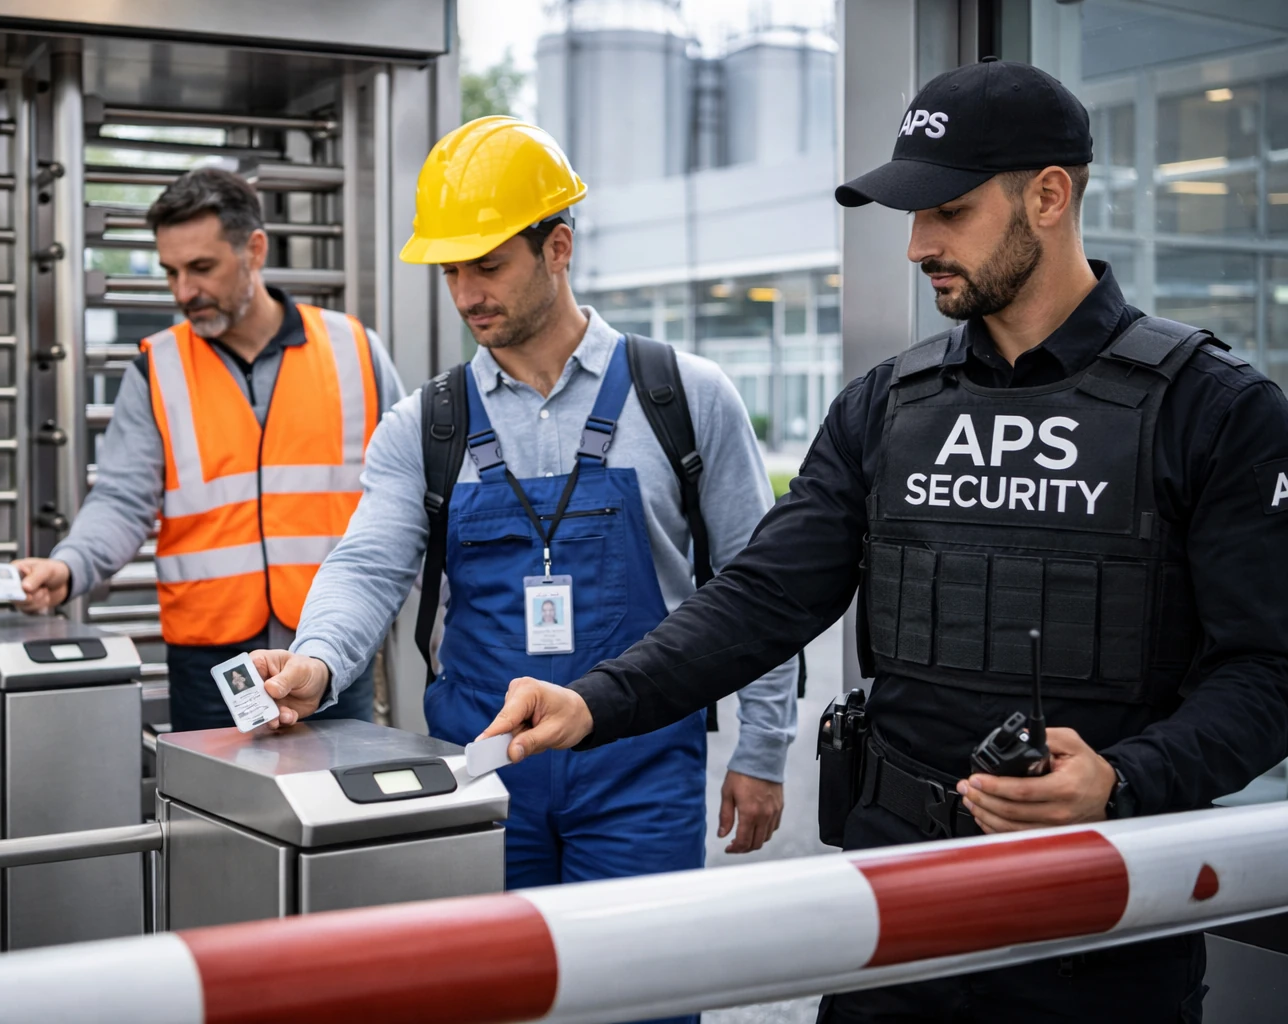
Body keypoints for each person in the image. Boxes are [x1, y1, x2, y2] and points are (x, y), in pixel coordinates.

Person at [478, 60, 1288, 1024]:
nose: (916, 246)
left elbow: (1269, 674)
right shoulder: (886, 405)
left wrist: (1123, 780)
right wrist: (593, 700)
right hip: (898, 909)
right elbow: (762, 598)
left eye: (946, 210)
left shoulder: (1215, 410)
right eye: (911, 215)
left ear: (1049, 195)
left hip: (1100, 923)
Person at [247, 115, 799, 991]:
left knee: (641, 1000)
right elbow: (368, 564)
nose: (467, 294)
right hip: (479, 773)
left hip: (641, 771)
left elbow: (760, 587)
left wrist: (763, 751)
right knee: (490, 999)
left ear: (559, 248)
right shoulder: (426, 427)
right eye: (451, 271)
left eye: (489, 264)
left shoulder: (684, 399)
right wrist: (317, 660)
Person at [11, 168, 405, 729]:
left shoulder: (356, 351)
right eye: (170, 271)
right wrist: (68, 565)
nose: (183, 291)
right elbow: (123, 500)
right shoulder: (157, 369)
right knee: (215, 812)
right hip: (212, 657)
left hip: (330, 645)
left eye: (201, 268)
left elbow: (408, 500)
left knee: (335, 808)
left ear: (255, 249)